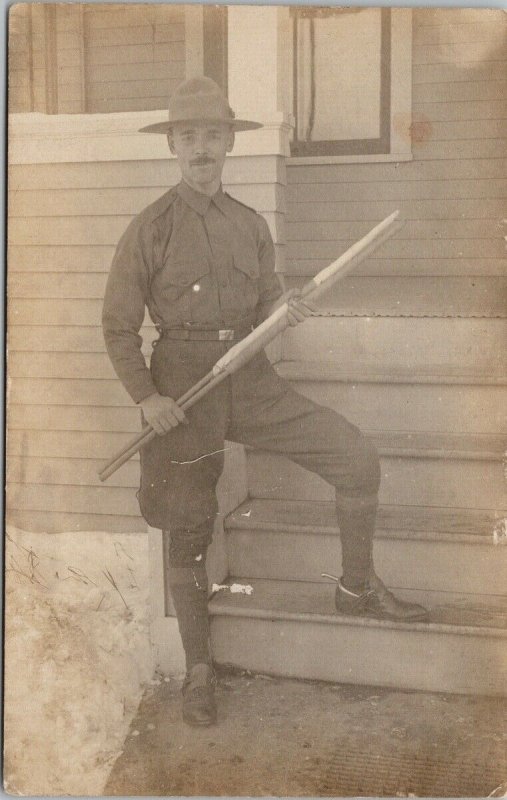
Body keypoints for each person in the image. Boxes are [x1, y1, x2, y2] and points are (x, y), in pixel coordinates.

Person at [102, 76, 427, 727]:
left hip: (248, 379)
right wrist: (147, 397)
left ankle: (354, 588)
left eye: (211, 136)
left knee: (355, 457)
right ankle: (199, 668)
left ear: (227, 144)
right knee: (188, 526)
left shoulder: (248, 226)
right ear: (173, 145)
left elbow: (267, 307)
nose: (201, 149)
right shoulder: (149, 228)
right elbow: (116, 325)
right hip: (182, 386)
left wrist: (287, 310)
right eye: (188, 136)